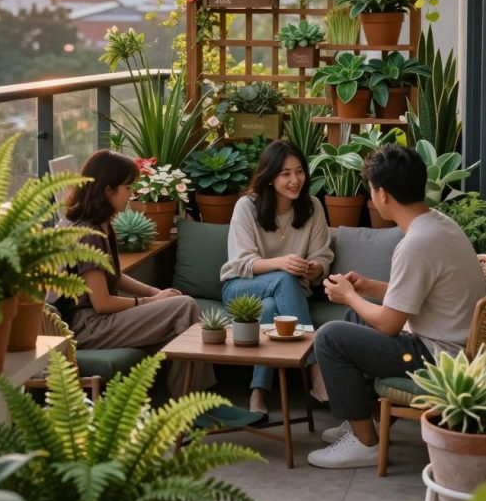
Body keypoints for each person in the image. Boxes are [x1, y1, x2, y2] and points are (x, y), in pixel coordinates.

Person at [308, 144, 486, 469]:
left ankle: (365, 444)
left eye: (372, 190)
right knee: (353, 318)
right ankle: (360, 423)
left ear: (383, 195)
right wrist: (366, 287)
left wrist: (349, 294)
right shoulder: (438, 225)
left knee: (331, 337)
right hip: (448, 345)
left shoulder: (415, 244)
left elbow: (390, 324)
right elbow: (420, 295)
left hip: (435, 359)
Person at [59, 149, 214, 398]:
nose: (131, 195)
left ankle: (186, 403)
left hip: (97, 322)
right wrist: (150, 302)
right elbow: (102, 302)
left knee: (179, 309)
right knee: (184, 308)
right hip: (86, 327)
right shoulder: (87, 234)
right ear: (108, 190)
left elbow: (115, 277)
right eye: (128, 188)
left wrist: (157, 292)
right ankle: (193, 403)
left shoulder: (102, 225)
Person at [221, 140, 333, 420]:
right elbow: (241, 262)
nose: (294, 180)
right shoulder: (246, 207)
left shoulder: (313, 207)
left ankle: (258, 391)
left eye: (299, 172)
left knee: (270, 308)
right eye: (285, 174)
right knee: (283, 279)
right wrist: (282, 264)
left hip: (288, 292)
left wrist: (314, 270)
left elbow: (323, 256)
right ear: (270, 177)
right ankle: (316, 371)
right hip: (240, 287)